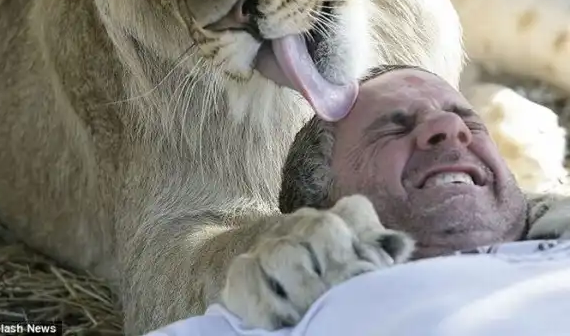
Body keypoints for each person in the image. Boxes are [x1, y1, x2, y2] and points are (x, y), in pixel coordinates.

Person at [143, 65, 570, 336]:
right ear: (323, 203)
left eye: (469, 122)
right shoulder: (276, 310)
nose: (450, 128)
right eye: (394, 128)